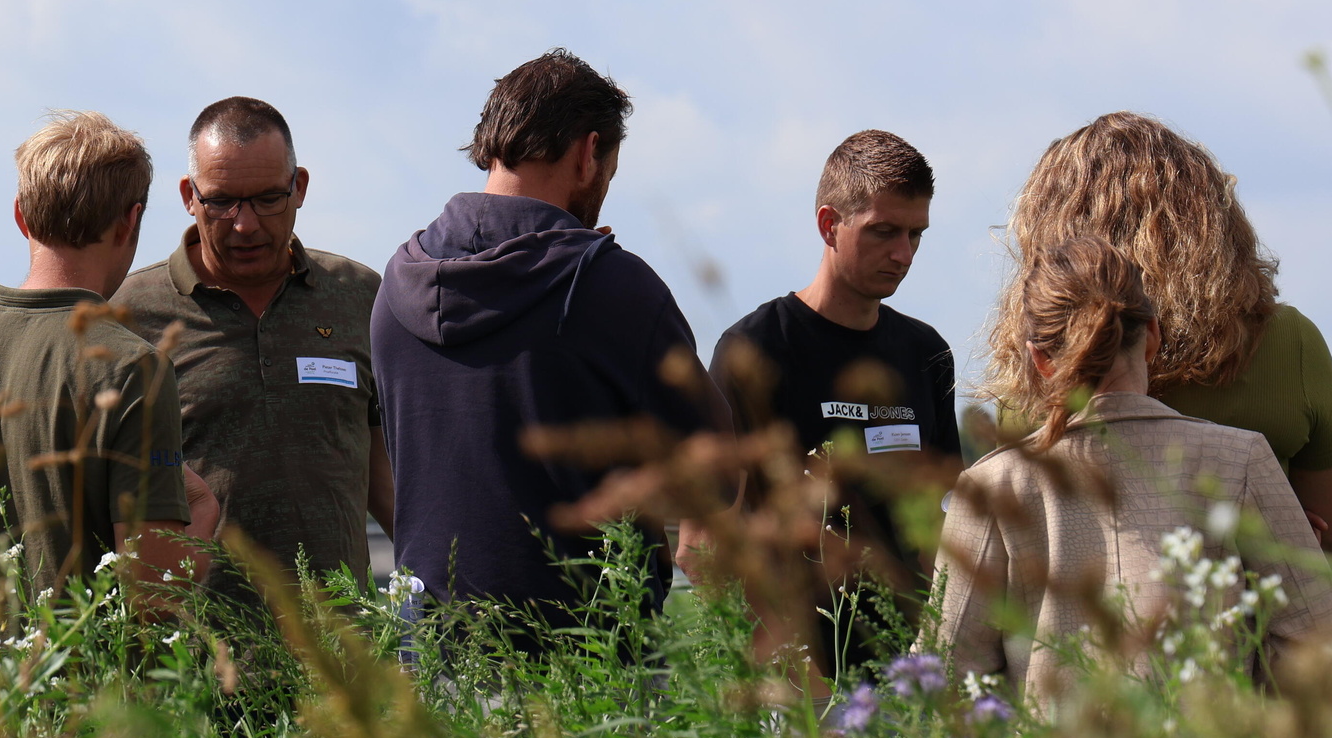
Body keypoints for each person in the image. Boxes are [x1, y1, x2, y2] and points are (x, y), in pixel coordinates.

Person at [371, 49, 730, 653]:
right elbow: (716, 461)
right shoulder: (612, 287)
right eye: (609, 173)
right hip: (579, 663)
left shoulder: (396, 286)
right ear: (589, 152)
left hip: (429, 650)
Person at [931, 237, 1332, 708]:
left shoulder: (991, 486)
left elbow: (948, 676)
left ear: (1040, 359)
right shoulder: (1242, 459)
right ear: (1151, 335)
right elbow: (1320, 646)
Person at [0, 111, 219, 609]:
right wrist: (205, 512)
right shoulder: (132, 369)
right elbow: (151, 601)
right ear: (130, 222)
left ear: (20, 215)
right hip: (89, 687)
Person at [1000, 111, 1332, 550]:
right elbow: (1327, 544)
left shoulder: (1035, 356)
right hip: (1247, 610)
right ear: (1209, 220)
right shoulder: (1289, 342)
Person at [112, 97, 390, 599]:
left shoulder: (360, 296)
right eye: (221, 201)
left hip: (343, 652)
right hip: (194, 656)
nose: (245, 224)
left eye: (268, 198)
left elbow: (385, 466)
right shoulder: (129, 314)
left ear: (299, 187)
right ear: (188, 196)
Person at [708, 130, 959, 675]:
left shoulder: (927, 354)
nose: (903, 253)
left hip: (901, 675)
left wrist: (939, 657)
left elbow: (933, 530)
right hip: (792, 680)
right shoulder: (754, 350)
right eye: (884, 232)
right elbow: (710, 541)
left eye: (916, 234)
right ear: (829, 224)